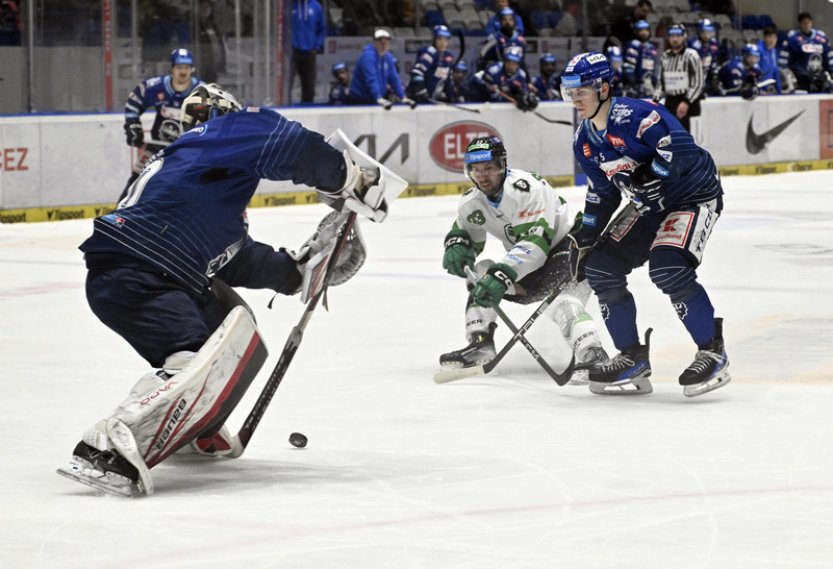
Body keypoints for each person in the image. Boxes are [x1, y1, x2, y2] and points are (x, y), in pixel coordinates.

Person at [57, 83, 396, 496]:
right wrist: (350, 178)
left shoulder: (194, 177)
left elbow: (234, 257)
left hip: (139, 271)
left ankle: (196, 424)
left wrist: (297, 272)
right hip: (144, 271)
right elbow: (289, 143)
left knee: (232, 330)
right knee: (200, 355)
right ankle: (108, 445)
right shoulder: (222, 132)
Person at [559, 52, 730, 397]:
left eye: (582, 91)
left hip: (691, 196)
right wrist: (584, 236)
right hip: (649, 206)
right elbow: (603, 195)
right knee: (601, 267)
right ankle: (632, 357)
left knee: (667, 267)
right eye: (569, 92)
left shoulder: (637, 116)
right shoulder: (584, 141)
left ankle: (712, 350)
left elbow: (680, 147)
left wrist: (653, 173)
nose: (575, 99)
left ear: (604, 88)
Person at [439, 136, 608, 381]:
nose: (482, 176)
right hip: (529, 266)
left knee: (562, 303)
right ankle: (480, 343)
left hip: (569, 249)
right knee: (480, 272)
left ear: (502, 165)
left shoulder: (527, 188)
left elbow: (536, 244)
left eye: (489, 168)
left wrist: (502, 274)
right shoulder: (471, 202)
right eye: (476, 170)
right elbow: (466, 236)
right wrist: (457, 246)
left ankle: (592, 354)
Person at [121, 48, 203, 201]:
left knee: (193, 187)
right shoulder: (155, 86)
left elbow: (218, 116)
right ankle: (118, 217)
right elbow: (134, 102)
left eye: (186, 67)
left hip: (187, 151)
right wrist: (133, 125)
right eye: (179, 67)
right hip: (157, 147)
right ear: (172, 68)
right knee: (137, 181)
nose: (183, 72)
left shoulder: (202, 91)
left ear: (192, 69)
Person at [653, 23, 703, 132]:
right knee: (669, 136)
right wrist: (655, 101)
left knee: (684, 138)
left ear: (684, 36)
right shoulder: (665, 56)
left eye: (678, 35)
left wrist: (687, 102)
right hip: (670, 101)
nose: (675, 39)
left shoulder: (692, 55)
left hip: (687, 101)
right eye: (672, 35)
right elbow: (661, 82)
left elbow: (698, 83)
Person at [349, 28, 416, 109]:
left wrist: (402, 97)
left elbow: (393, 78)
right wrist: (378, 97)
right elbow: (371, 78)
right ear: (374, 42)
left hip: (375, 98)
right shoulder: (368, 56)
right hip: (360, 99)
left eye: (386, 41)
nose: (383, 44)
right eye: (380, 41)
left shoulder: (388, 57)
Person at [468, 46, 538, 110]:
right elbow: (488, 92)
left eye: (514, 63)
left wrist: (527, 98)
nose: (510, 65)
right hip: (483, 103)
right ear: (505, 61)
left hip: (501, 106)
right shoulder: (493, 70)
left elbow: (522, 91)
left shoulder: (521, 75)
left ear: (518, 64)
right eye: (508, 61)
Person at [406, 24, 456, 104]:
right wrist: (422, 90)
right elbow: (416, 74)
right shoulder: (429, 52)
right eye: (440, 39)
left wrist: (452, 97)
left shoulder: (448, 56)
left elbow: (448, 80)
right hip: (418, 100)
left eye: (446, 39)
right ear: (434, 39)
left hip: (434, 100)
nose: (443, 43)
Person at [785, 12, 832, 93]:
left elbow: (829, 55)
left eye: (808, 22)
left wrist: (831, 70)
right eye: (804, 23)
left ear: (812, 23)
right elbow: (785, 58)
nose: (806, 25)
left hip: (819, 77)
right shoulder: (793, 38)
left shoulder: (821, 38)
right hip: (801, 77)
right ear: (800, 24)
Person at [290, 0, 327, 103]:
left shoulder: (316, 6)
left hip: (309, 52)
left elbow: (322, 28)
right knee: (286, 86)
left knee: (309, 87)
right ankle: (283, 113)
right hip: (291, 52)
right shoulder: (289, 5)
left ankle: (307, 113)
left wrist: (317, 46)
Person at [622, 19, 657, 98]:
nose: (644, 32)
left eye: (646, 30)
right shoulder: (633, 44)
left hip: (648, 83)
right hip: (635, 85)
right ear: (635, 32)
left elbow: (654, 67)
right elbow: (629, 66)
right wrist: (632, 81)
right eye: (641, 30)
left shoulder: (651, 47)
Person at [687, 18, 720, 96]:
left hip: (707, 74)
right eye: (704, 32)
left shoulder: (714, 44)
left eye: (709, 32)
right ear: (699, 32)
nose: (706, 35)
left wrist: (715, 76)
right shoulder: (692, 44)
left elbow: (714, 61)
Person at [756, 26, 783, 94]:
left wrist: (779, 89)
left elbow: (775, 70)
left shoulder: (774, 51)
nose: (772, 40)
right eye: (769, 37)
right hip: (758, 88)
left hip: (769, 89)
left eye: (774, 37)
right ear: (764, 38)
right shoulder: (758, 50)